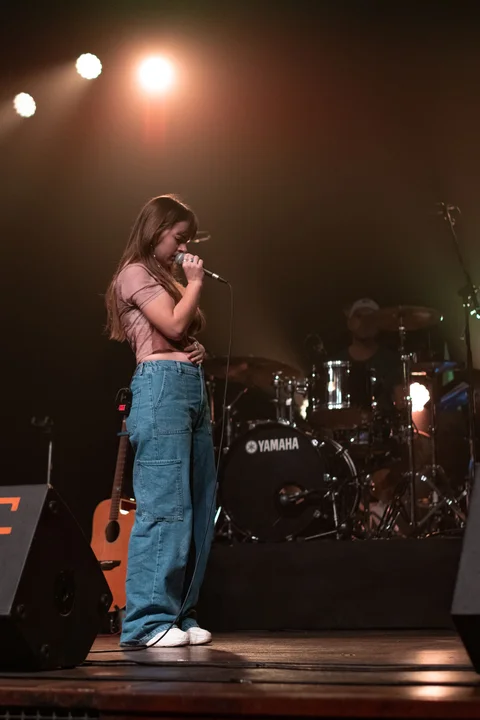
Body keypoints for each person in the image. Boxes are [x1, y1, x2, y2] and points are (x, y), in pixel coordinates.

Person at [105, 195, 216, 648]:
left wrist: (195, 349)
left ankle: (180, 613)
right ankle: (147, 622)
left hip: (189, 388)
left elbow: (179, 332)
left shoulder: (163, 277)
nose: (184, 248)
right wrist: (195, 283)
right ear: (156, 230)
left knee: (199, 505)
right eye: (179, 237)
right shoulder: (134, 272)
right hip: (161, 388)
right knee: (165, 504)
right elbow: (170, 325)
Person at [337, 298, 404, 414]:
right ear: (349, 323)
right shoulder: (336, 363)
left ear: (379, 324)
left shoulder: (391, 361)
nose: (365, 322)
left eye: (371, 317)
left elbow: (401, 403)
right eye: (359, 316)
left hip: (383, 424)